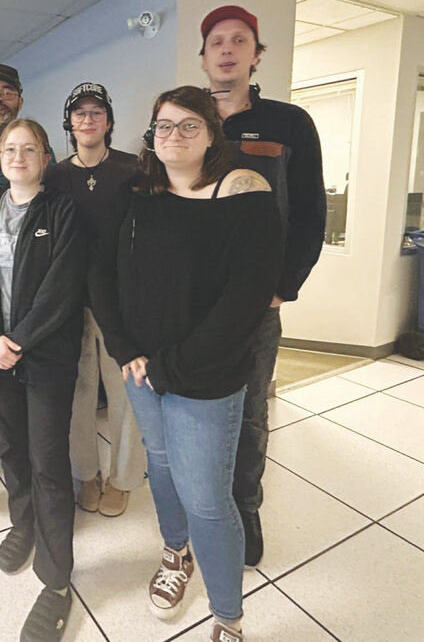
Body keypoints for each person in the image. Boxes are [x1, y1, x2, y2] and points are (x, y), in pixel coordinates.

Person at [90, 86, 282, 642]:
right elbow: (99, 271)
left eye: (188, 125)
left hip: (206, 377)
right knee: (162, 466)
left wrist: (171, 367)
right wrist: (123, 347)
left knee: (208, 500)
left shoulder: (245, 193)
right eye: (163, 126)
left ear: (212, 133)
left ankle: (227, 618)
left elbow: (245, 301)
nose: (173, 135)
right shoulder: (137, 193)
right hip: (141, 371)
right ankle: (176, 553)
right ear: (151, 137)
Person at [199, 5, 326, 567]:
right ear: (203, 57)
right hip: (193, 298)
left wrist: (283, 288)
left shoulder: (288, 123)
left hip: (256, 300)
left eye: (239, 40)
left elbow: (311, 213)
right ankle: (201, 500)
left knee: (249, 409)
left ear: (256, 55)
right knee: (195, 405)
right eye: (216, 42)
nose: (227, 50)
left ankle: (245, 505)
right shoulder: (184, 121)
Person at [0, 119, 87, 642]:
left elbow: (63, 289)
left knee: (48, 461)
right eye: (9, 148)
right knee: (11, 448)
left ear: (45, 158)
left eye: (29, 148)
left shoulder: (63, 212)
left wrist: (20, 341)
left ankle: (56, 581)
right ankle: (24, 522)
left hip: (45, 357)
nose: (18, 155)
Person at [45, 82, 145, 517]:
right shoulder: (54, 176)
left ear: (109, 121)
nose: (88, 120)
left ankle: (122, 478)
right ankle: (86, 473)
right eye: (80, 113)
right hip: (70, 303)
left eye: (96, 112)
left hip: (122, 304)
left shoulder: (131, 169)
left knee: (126, 396)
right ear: (69, 123)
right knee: (77, 395)